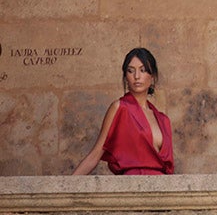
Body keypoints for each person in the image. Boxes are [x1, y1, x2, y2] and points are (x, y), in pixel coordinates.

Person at [71, 47, 174, 175]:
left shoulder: (164, 120)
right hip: (131, 186)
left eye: (143, 70)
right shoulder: (120, 108)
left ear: (152, 76)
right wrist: (64, 190)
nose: (137, 76)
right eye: (131, 71)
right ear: (125, 77)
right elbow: (96, 154)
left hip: (161, 189)